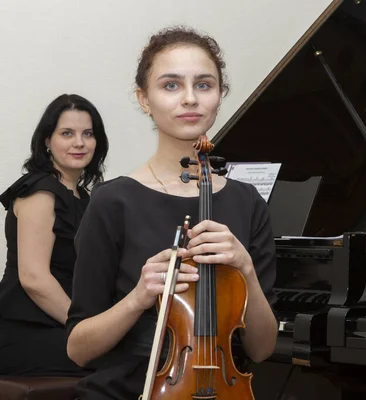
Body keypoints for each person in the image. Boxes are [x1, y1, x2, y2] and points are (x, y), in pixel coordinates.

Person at [65, 26, 278, 399]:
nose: (190, 99)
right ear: (144, 99)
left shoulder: (248, 203)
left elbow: (262, 349)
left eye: (204, 84)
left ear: (219, 95)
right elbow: (79, 349)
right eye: (171, 85)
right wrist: (138, 297)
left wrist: (245, 268)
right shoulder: (112, 202)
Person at [0, 94, 109, 376]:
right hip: (24, 330)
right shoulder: (41, 192)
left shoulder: (83, 197)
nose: (79, 143)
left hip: (59, 325)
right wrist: (87, 328)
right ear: (48, 141)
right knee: (124, 361)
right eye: (67, 133)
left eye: (88, 133)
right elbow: (34, 279)